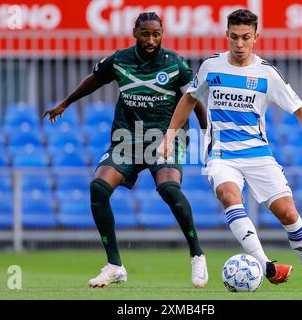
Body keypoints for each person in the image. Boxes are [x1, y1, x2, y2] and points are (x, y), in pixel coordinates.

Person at [158, 9, 302, 292]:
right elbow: (189, 99)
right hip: (221, 153)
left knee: (288, 213)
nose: (239, 44)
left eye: (245, 38)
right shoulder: (211, 67)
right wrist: (169, 134)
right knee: (228, 195)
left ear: (256, 38)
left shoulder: (266, 74)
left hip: (258, 154)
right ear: (226, 35)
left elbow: (300, 109)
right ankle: (265, 265)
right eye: (234, 37)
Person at [42, 12, 209, 288]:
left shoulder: (175, 64)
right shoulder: (120, 60)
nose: (151, 40)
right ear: (135, 33)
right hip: (127, 138)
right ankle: (114, 265)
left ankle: (197, 254)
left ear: (162, 33)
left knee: (168, 188)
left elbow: (195, 101)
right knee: (98, 187)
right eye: (146, 34)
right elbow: (94, 79)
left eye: (156, 34)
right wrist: (65, 103)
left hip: (166, 136)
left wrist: (207, 135)